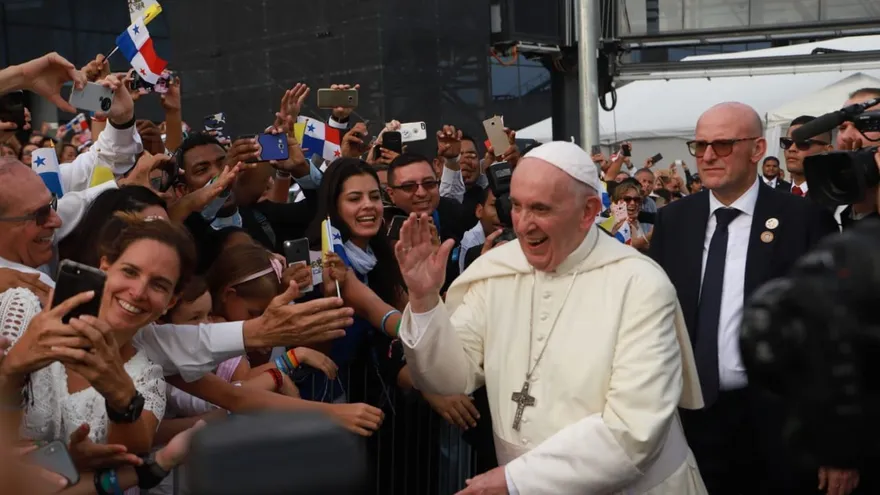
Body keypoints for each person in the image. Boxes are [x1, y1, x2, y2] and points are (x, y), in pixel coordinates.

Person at [394, 141, 706, 494]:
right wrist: (423, 301)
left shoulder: (640, 285)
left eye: (541, 209)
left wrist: (516, 480)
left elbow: (634, 430)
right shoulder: (498, 270)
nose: (524, 225)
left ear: (588, 211)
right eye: (517, 206)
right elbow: (449, 379)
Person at [650, 102, 841, 495]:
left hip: (778, 424)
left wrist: (838, 445)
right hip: (690, 421)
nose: (706, 156)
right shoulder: (675, 221)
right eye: (699, 145)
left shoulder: (803, 219)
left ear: (756, 150)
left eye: (721, 145)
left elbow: (834, 335)